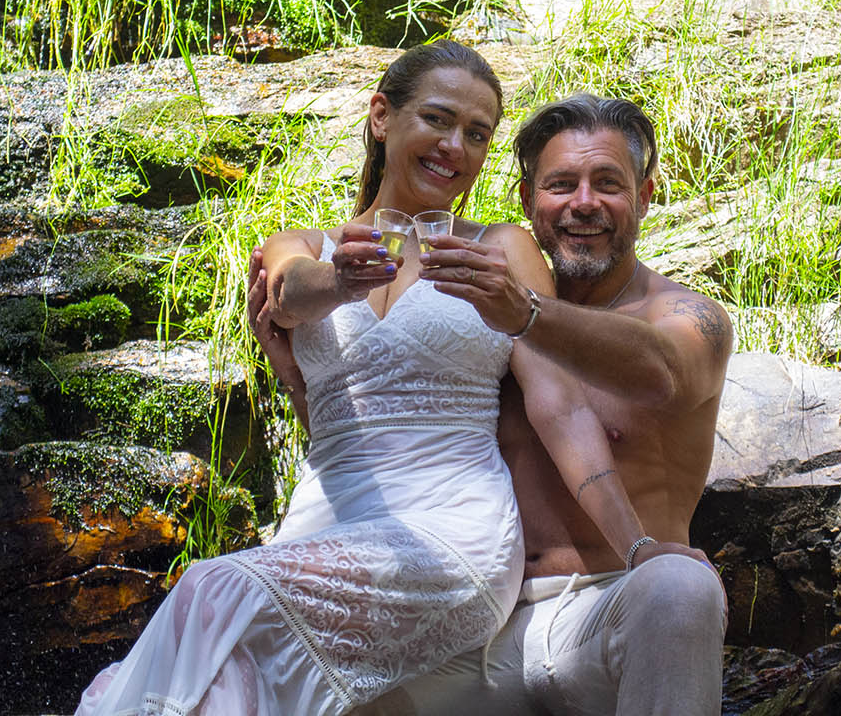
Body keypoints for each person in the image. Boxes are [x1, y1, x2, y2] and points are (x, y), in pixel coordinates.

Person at [76, 44, 680, 716]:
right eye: (438, 120)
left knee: (213, 589)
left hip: (452, 536)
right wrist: (339, 279)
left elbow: (559, 408)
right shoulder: (307, 245)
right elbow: (288, 292)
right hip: (319, 530)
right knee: (227, 680)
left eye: (477, 135)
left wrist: (638, 546)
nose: (455, 146)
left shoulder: (500, 248)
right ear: (381, 116)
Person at [251, 93, 733, 715]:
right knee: (297, 664)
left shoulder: (686, 318)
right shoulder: (481, 327)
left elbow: (663, 374)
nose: (583, 203)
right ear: (530, 200)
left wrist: (528, 315)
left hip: (605, 611)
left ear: (644, 196)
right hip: (473, 627)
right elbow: (377, 445)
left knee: (681, 588)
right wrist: (296, 372)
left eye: (607, 184)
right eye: (561, 185)